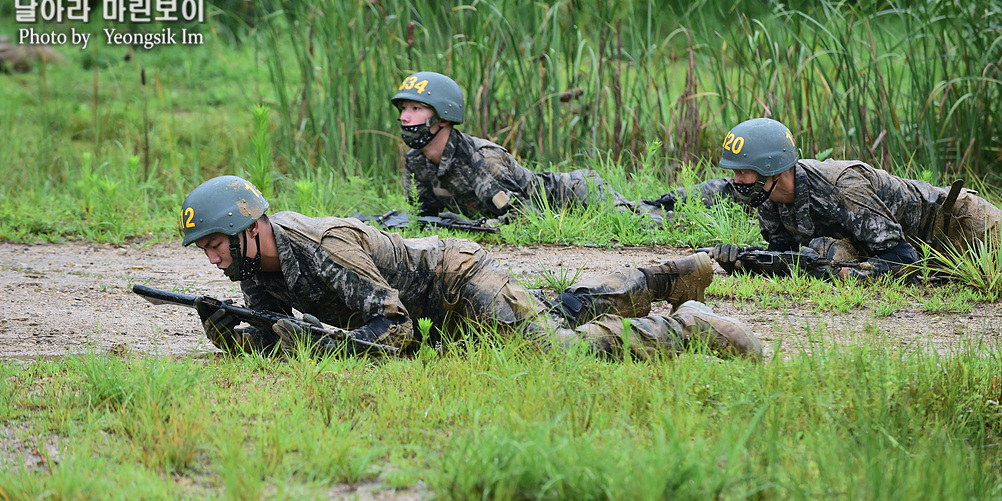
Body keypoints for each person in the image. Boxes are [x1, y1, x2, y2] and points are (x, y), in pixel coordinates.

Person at [179, 175, 762, 360]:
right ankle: (655, 279)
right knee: (552, 317)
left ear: (245, 228)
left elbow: (394, 329)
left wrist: (331, 347)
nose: (211, 259)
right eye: (203, 250)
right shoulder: (254, 270)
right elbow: (278, 338)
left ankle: (694, 329)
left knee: (555, 352)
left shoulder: (320, 244)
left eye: (213, 245)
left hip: (453, 281)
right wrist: (229, 333)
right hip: (436, 315)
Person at [392, 71, 733, 224]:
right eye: (403, 109)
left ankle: (713, 200)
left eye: (416, 109)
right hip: (558, 203)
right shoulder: (416, 162)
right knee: (644, 208)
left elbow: (523, 219)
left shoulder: (483, 160)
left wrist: (469, 226)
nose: (406, 117)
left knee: (644, 220)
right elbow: (426, 218)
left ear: (444, 117)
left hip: (576, 196)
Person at [705, 117, 1002, 279]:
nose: (736, 181)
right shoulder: (768, 198)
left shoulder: (841, 186)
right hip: (924, 248)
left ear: (771, 170)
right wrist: (743, 262)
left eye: (743, 172)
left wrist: (852, 274)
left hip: (960, 225)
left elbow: (902, 257)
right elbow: (786, 256)